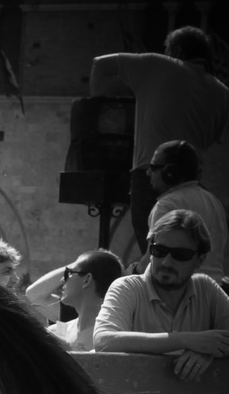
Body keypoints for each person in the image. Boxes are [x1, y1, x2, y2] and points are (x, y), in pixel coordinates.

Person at [91, 26, 229, 251]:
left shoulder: (159, 65)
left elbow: (100, 64)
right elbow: (213, 139)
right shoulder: (222, 93)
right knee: (186, 255)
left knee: (155, 255)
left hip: (153, 176)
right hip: (194, 186)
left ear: (176, 50)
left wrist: (101, 107)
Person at [94, 208, 229, 381]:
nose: (166, 262)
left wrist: (210, 351)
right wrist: (187, 340)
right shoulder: (127, 287)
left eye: (180, 255)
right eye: (160, 251)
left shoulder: (207, 289)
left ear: (200, 260)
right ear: (150, 250)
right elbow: (104, 341)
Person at [144, 140, 229, 278]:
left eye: (153, 167)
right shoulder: (214, 202)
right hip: (214, 291)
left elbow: (151, 262)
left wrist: (128, 271)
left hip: (180, 292)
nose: (148, 173)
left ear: (170, 172)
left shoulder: (167, 205)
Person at [25, 248, 123, 351]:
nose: (63, 279)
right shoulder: (58, 331)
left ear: (87, 279)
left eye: (69, 273)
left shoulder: (111, 338)